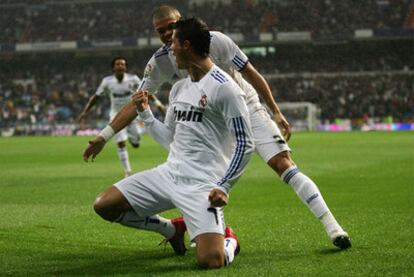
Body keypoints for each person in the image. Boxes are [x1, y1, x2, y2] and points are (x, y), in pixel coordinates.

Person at [108, 5, 351, 249]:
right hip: (211, 115)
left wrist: (275, 111)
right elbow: (139, 98)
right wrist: (105, 134)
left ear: (183, 24)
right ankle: (206, 230)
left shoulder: (218, 41)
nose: (169, 34)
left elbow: (251, 73)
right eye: (162, 30)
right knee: (202, 167)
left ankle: (333, 227)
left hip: (246, 105)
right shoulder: (163, 58)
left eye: (172, 27)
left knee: (283, 164)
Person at [83, 18, 254, 268]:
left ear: (186, 45)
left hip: (202, 185)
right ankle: (170, 230)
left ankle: (230, 242)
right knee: (105, 205)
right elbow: (170, 140)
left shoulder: (225, 88)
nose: (169, 48)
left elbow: (245, 143)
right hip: (169, 174)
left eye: (172, 43)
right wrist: (146, 115)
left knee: (211, 260)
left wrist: (225, 186)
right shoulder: (179, 89)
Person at [79, 57, 141, 177]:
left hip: (131, 113)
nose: (120, 66)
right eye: (117, 64)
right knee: (121, 143)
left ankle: (134, 140)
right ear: (113, 67)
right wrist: (85, 111)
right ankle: (128, 171)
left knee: (136, 142)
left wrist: (158, 104)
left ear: (125, 67)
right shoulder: (107, 82)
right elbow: (96, 97)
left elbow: (146, 91)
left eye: (122, 64)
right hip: (116, 115)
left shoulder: (133, 79)